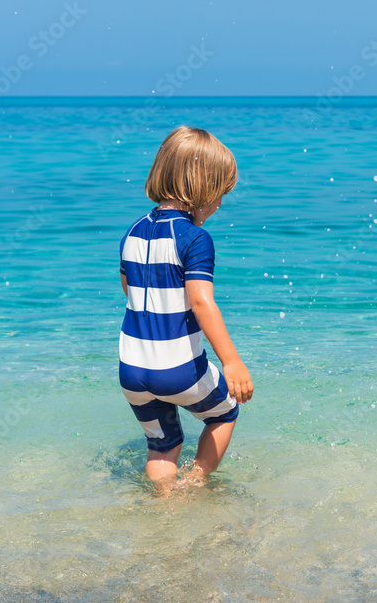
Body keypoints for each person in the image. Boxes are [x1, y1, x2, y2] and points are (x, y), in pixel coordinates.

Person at [118, 126, 253, 493]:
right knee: (224, 413)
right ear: (202, 190)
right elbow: (200, 300)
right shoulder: (195, 238)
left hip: (132, 370)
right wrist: (231, 361)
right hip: (178, 369)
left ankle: (166, 501)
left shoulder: (132, 232)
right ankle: (194, 484)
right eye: (220, 194)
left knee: (163, 445)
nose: (220, 204)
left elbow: (128, 288)